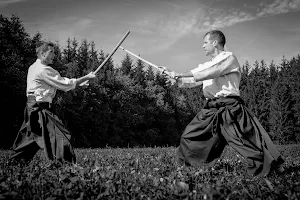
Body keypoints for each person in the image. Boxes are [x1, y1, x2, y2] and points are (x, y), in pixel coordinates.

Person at [162, 30, 284, 176]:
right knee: (190, 136)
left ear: (215, 43)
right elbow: (194, 79)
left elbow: (210, 71)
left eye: (205, 42)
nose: (203, 46)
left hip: (229, 108)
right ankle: (191, 168)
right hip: (211, 110)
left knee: (246, 140)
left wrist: (179, 73)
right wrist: (173, 75)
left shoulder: (228, 58)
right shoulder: (208, 65)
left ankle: (272, 166)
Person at [11, 42, 96, 164]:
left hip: (32, 107)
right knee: (61, 136)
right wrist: (86, 77)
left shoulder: (33, 67)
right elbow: (64, 84)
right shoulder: (43, 70)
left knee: (30, 140)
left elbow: (56, 84)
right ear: (42, 53)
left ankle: (15, 163)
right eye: (51, 52)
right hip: (40, 109)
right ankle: (65, 166)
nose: (54, 55)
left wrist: (78, 84)